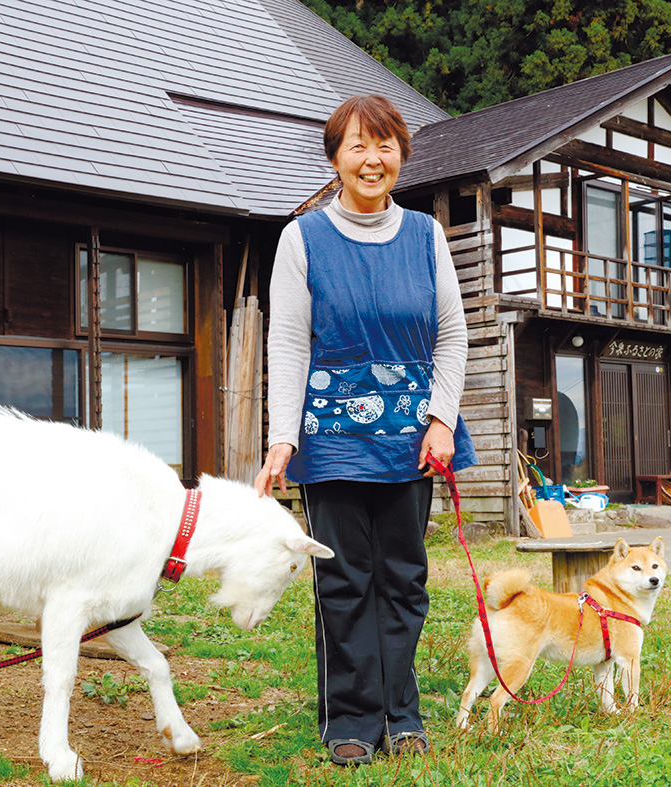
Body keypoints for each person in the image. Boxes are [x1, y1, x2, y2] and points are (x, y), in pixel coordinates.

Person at [253, 95, 476, 766]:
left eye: (383, 145)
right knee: (344, 580)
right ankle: (348, 719)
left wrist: (440, 419)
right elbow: (288, 344)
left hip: (412, 437)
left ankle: (399, 712)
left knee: (404, 577)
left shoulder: (425, 234)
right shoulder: (302, 238)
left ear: (400, 155)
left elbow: (452, 335)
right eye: (356, 146)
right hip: (331, 438)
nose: (371, 158)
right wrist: (281, 437)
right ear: (335, 159)